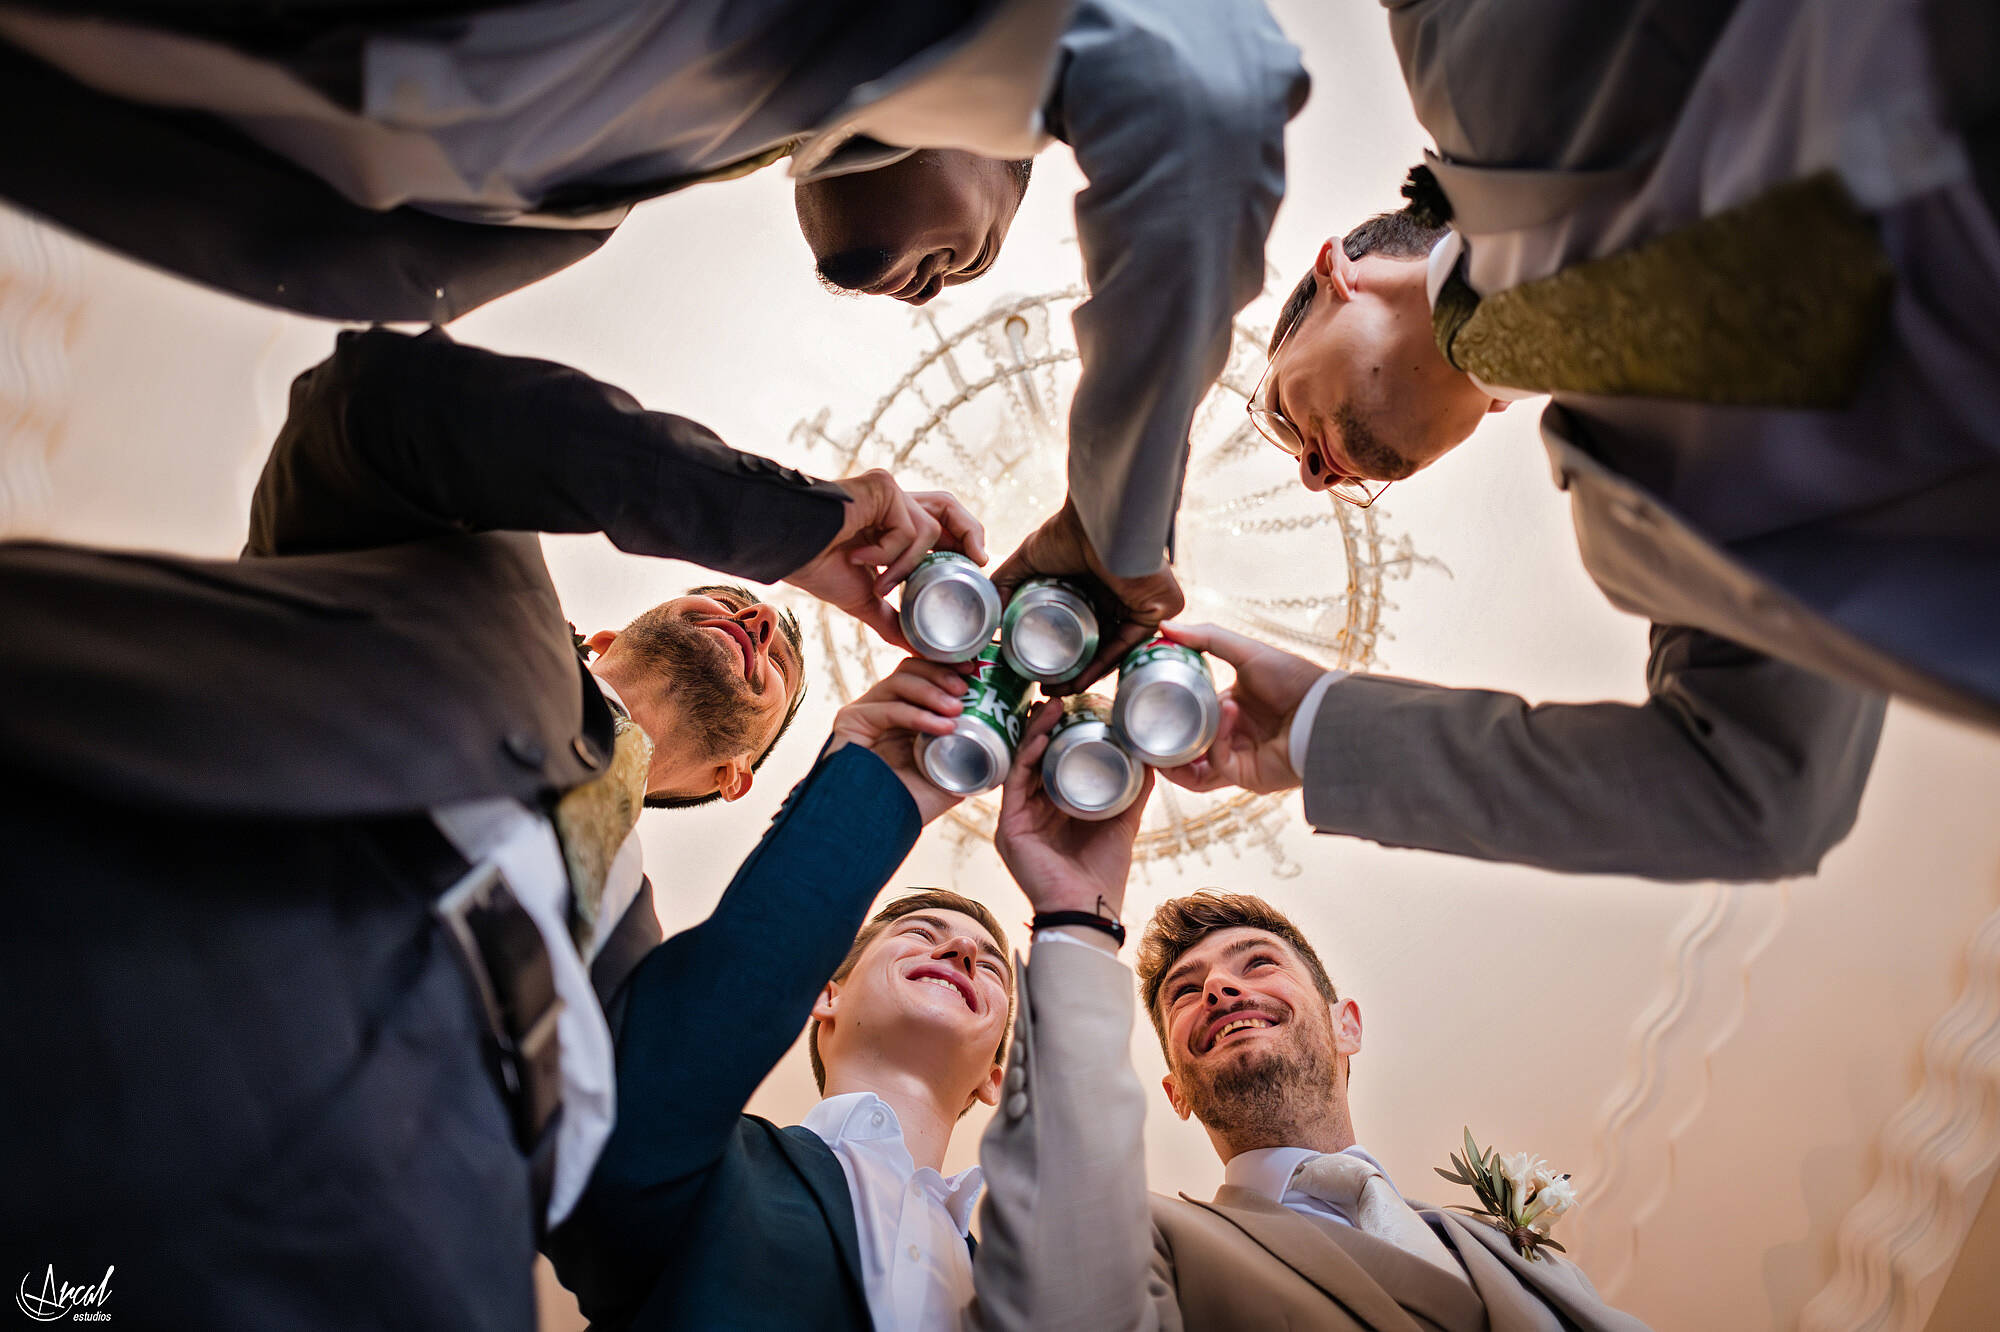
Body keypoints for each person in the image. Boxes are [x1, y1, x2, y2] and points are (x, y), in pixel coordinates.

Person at [0, 324, 978, 1328]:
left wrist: (874, 775)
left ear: (736, 781)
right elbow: (377, 401)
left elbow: (635, 1170)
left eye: (778, 661)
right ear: (600, 636)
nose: (760, 620)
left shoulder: (632, 991)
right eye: (730, 599)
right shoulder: (459, 565)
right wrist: (790, 527)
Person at [0, 0, 1309, 632]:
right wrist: (1112, 519)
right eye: (962, 266)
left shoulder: (586, 198)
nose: (921, 296)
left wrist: (790, 531)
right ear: (1026, 143)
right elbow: (1208, 86)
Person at [1166, 0, 2000, 880]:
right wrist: (1315, 729)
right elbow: (1757, 796)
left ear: (1340, 271)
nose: (1309, 475)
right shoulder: (1651, 527)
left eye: (1286, 412)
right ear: (1488, 418)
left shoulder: (1463, 50)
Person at [968, 709, 1648, 1329]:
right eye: (1185, 990)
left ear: (1346, 1024)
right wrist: (1076, 919)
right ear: (1175, 1093)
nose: (1222, 989)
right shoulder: (1150, 1241)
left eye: (1257, 962)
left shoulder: (1500, 1245)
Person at [546, 657, 1017, 1332]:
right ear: (825, 995)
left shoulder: (1026, 1287)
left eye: (992, 967)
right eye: (920, 931)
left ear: (996, 1076)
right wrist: (878, 789)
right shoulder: (706, 1169)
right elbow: (695, 1034)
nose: (963, 952)